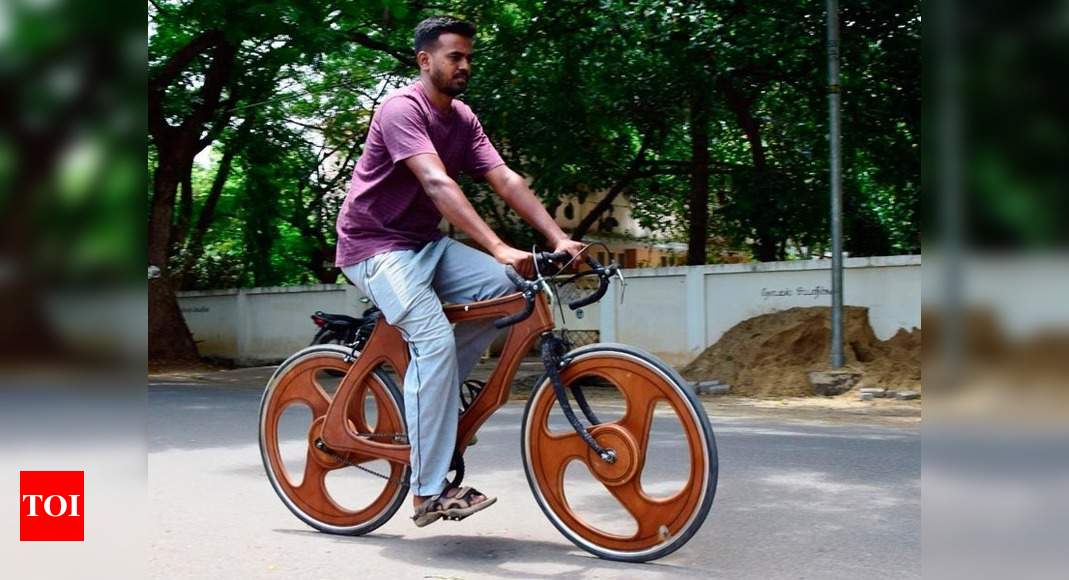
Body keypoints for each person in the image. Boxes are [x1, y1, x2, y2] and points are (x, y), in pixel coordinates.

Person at [335, 16, 584, 527]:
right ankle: (428, 494)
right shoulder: (401, 109)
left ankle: (440, 397)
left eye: (469, 56)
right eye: (455, 56)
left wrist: (557, 238)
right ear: (425, 61)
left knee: (511, 287)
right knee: (433, 340)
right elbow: (436, 183)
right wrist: (495, 244)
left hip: (425, 245)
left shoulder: (463, 119)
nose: (465, 65)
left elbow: (505, 179)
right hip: (374, 248)